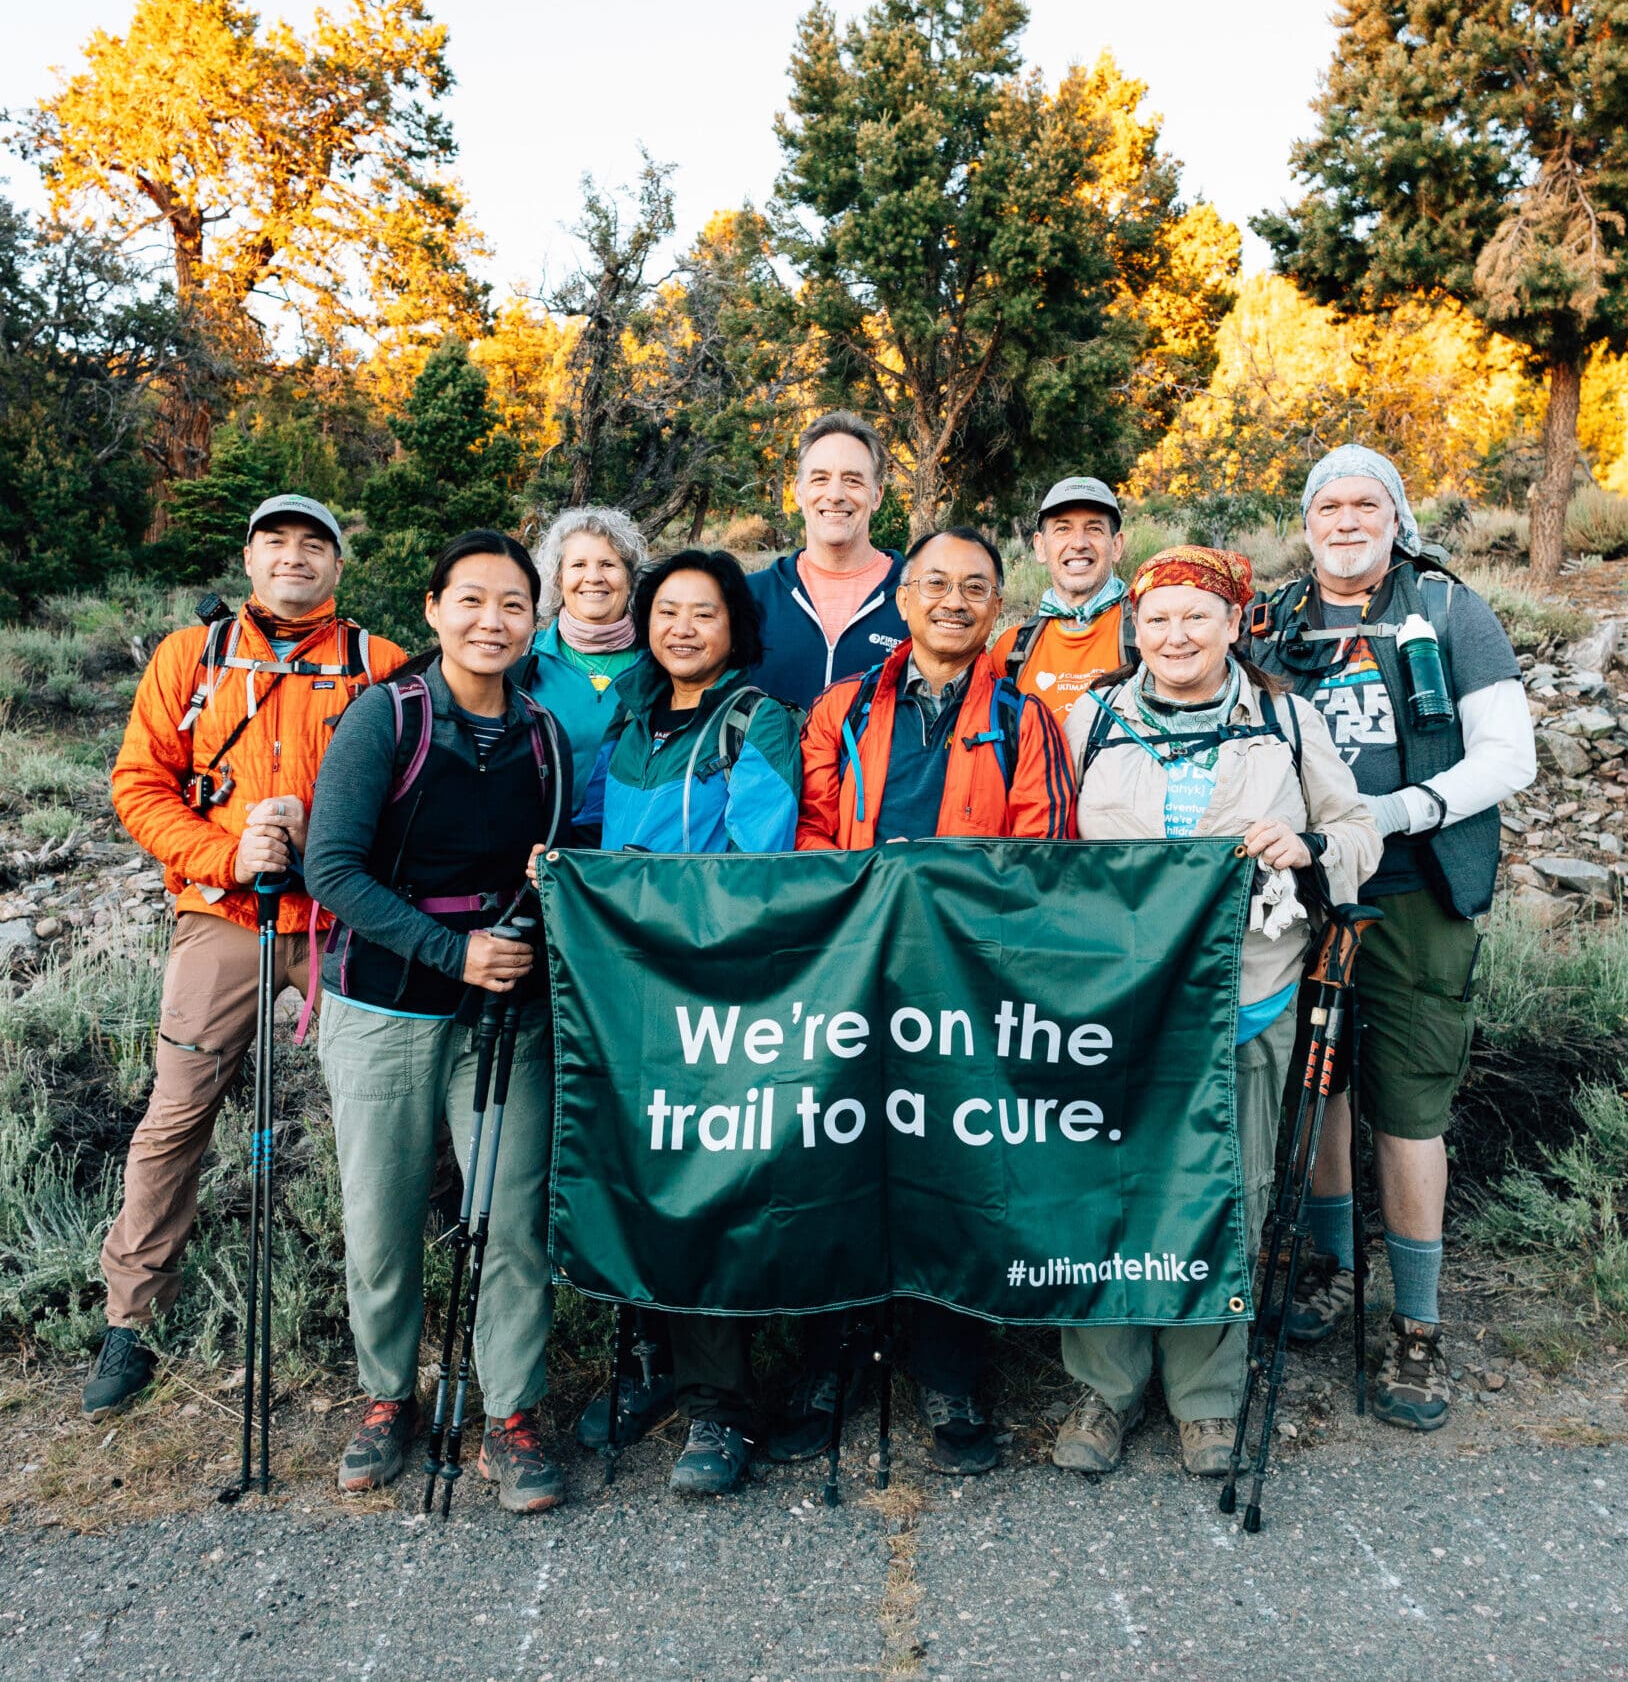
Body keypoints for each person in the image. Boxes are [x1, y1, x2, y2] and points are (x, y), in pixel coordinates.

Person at [1054, 543, 1381, 1477]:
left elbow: (1358, 831)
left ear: (1234, 622)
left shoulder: (1285, 717)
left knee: (1229, 1193)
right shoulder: (1089, 720)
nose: (1175, 633)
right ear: (1135, 629)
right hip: (1112, 1003)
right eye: (1156, 618)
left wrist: (1307, 843)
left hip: (1247, 991)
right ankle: (1105, 1385)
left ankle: (1206, 1392)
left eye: (1196, 615)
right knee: (1109, 1188)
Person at [84, 494, 405, 1422]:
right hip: (224, 913)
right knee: (177, 1110)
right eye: (277, 542)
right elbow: (138, 784)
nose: (295, 556)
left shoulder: (378, 664)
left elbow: (422, 785)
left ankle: (410, 1295)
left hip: (346, 920)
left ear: (338, 566)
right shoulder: (190, 659)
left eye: (315, 544)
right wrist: (227, 854)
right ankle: (131, 1317)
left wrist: (340, 846)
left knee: (397, 1108)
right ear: (251, 557)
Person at [1246, 444, 1536, 1432]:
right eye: (1327, 504)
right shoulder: (1277, 621)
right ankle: (1329, 1266)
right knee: (1316, 1084)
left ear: (1396, 516)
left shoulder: (1452, 612)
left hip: (1415, 889)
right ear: (1308, 520)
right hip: (1303, 887)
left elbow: (1509, 756)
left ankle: (1415, 1322)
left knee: (1409, 1102)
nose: (1345, 518)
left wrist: (1397, 812)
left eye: (1366, 502)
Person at [791, 525, 1076, 1475]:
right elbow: (811, 839)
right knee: (837, 1169)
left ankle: (950, 1374)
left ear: (998, 607)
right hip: (853, 979)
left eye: (976, 588)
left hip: (962, 988)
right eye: (936, 585)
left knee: (954, 1173)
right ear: (903, 599)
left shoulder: (1025, 719)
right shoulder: (839, 710)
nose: (954, 601)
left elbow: (1041, 859)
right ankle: (826, 1364)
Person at [304, 530, 569, 1514]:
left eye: (511, 605)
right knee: (380, 1217)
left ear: (532, 621)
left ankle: (511, 1412)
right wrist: (453, 950)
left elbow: (547, 860)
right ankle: (386, 1398)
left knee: (511, 1217)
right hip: (385, 1006)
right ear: (433, 609)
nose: (491, 621)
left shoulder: (543, 734)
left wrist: (531, 915)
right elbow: (331, 870)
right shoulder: (385, 719)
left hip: (508, 1015)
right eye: (472, 601)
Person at [563, 548, 801, 1496]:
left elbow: (757, 863)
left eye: (704, 613)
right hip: (619, 989)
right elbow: (580, 838)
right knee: (633, 1178)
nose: (683, 628)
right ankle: (650, 1363)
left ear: (734, 628)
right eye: (667, 611)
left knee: (709, 1191)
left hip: (712, 993)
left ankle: (722, 1407)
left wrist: (631, 887)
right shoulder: (624, 722)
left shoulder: (758, 723)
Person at [745, 411, 908, 706]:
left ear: (877, 495)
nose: (835, 494)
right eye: (820, 478)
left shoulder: (915, 600)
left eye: (852, 480)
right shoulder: (748, 597)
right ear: (798, 492)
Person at [515, 505, 647, 836]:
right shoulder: (523, 661)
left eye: (608, 564)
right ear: (558, 578)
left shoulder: (660, 663)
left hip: (636, 856)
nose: (593, 577)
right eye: (578, 565)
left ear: (630, 578)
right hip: (543, 854)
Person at [989, 475, 1137, 723]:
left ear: (1117, 545)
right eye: (1063, 528)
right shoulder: (1011, 648)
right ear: (1040, 546)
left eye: (1094, 528)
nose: (1079, 543)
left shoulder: (1149, 635)